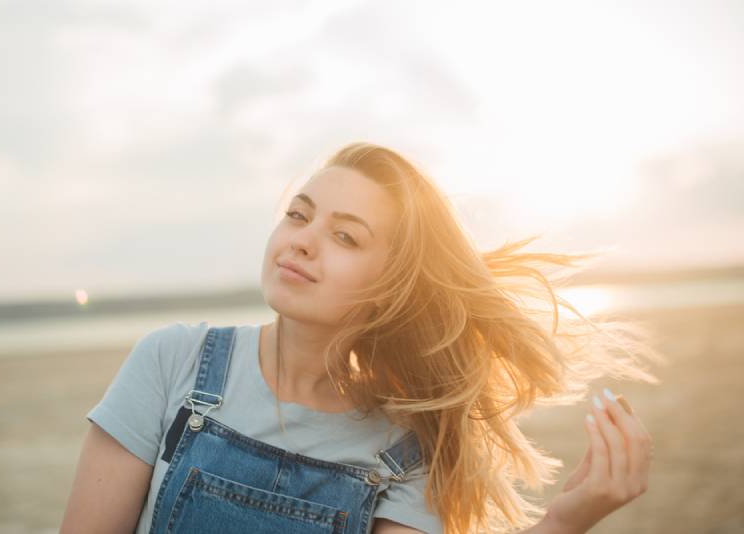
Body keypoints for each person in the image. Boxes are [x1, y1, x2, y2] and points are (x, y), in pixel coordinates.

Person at [60, 141, 664, 534]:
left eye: (345, 237)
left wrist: (563, 521)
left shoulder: (402, 448)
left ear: (390, 285)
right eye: (298, 215)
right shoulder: (174, 363)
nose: (301, 239)